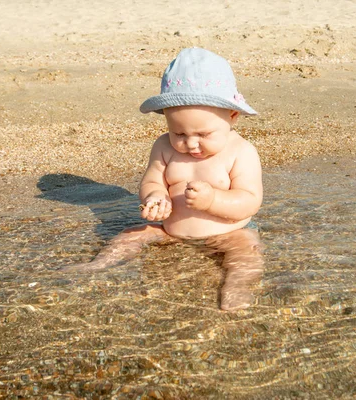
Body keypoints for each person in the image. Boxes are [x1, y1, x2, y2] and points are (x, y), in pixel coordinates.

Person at [64, 48, 264, 311]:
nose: (191, 143)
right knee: (130, 234)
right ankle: (99, 265)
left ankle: (238, 286)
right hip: (170, 231)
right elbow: (152, 181)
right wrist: (155, 197)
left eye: (204, 134)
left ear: (232, 117)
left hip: (228, 232)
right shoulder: (163, 147)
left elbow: (250, 202)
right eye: (178, 132)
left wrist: (213, 200)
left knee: (248, 250)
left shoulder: (241, 152)